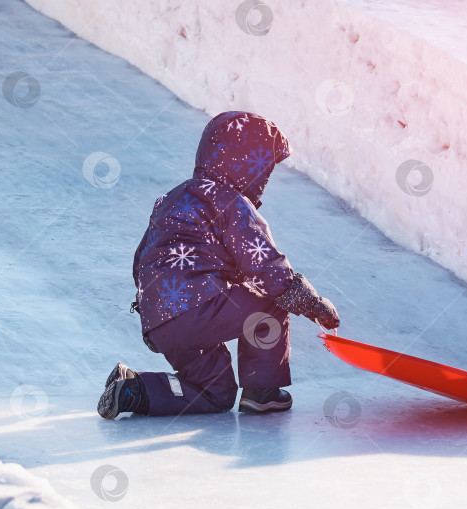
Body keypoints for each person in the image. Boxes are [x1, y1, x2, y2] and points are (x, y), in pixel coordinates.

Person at [97, 111, 340, 419]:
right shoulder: (229, 201)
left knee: (216, 391)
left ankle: (134, 390)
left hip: (158, 321)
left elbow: (141, 258)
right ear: (248, 165)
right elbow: (264, 265)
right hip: (196, 308)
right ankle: (262, 392)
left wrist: (152, 307)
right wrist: (312, 304)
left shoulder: (170, 199)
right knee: (269, 307)